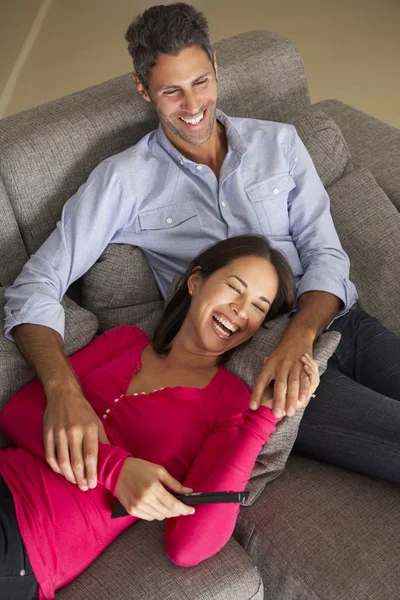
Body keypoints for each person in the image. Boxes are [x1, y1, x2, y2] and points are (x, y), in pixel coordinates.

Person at [4, 3, 400, 486]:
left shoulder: (281, 144)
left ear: (215, 65)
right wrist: (63, 388)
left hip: (334, 320)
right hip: (258, 363)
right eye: (170, 91)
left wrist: (300, 336)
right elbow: (35, 285)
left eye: (200, 82)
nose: (192, 107)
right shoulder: (124, 181)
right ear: (143, 89)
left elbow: (326, 254)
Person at [0, 236, 319, 600]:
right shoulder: (124, 341)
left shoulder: (230, 402)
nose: (240, 310)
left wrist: (264, 418)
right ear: (196, 282)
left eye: (258, 307)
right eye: (234, 288)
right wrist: (114, 469)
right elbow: (17, 411)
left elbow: (189, 547)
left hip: (28, 541)